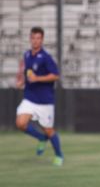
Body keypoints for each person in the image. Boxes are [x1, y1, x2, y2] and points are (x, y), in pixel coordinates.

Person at [15, 27, 64, 166]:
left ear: (42, 40)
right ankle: (41, 138)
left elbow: (55, 75)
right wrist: (22, 81)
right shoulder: (27, 55)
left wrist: (38, 79)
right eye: (33, 38)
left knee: (49, 130)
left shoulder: (46, 58)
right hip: (30, 97)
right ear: (30, 39)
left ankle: (59, 154)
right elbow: (27, 73)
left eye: (38, 38)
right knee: (20, 123)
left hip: (45, 101)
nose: (35, 41)